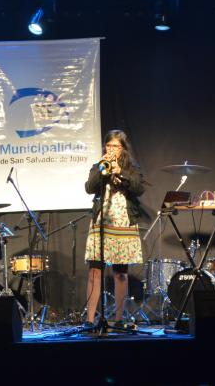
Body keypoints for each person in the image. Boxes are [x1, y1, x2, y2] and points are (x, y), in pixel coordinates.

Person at [84, 129, 145, 329]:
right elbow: (89, 188)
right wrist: (104, 170)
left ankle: (119, 319)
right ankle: (90, 319)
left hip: (123, 221)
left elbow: (139, 188)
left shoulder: (132, 168)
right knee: (95, 270)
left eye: (116, 146)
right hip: (102, 220)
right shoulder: (99, 166)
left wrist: (121, 172)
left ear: (123, 149)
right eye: (109, 145)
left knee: (120, 272)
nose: (111, 149)